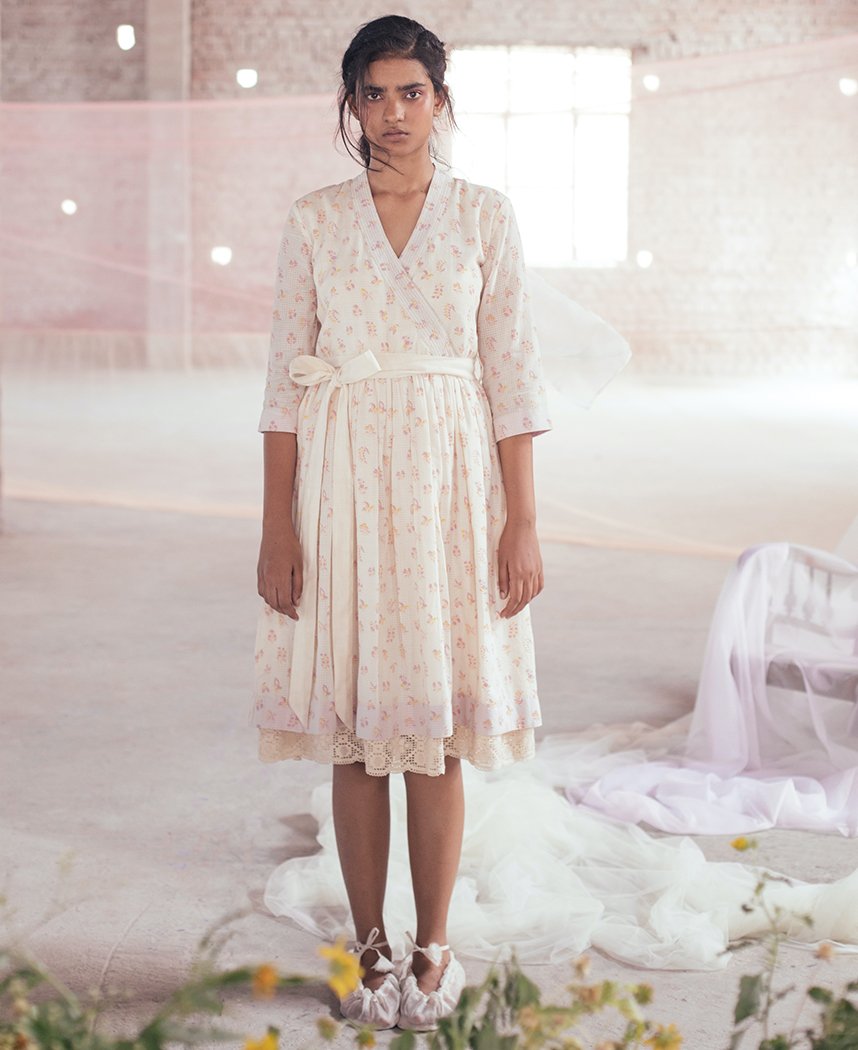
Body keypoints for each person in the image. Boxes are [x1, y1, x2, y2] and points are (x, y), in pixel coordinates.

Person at [249, 14, 552, 1033]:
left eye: (410, 92)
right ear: (351, 105)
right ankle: (369, 944)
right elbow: (282, 386)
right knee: (353, 729)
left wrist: (523, 521)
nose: (391, 113)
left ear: (440, 101)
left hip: (450, 489)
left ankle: (435, 946)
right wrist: (278, 527)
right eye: (372, 94)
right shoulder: (314, 220)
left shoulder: (485, 218)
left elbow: (514, 378)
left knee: (432, 728)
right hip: (341, 481)